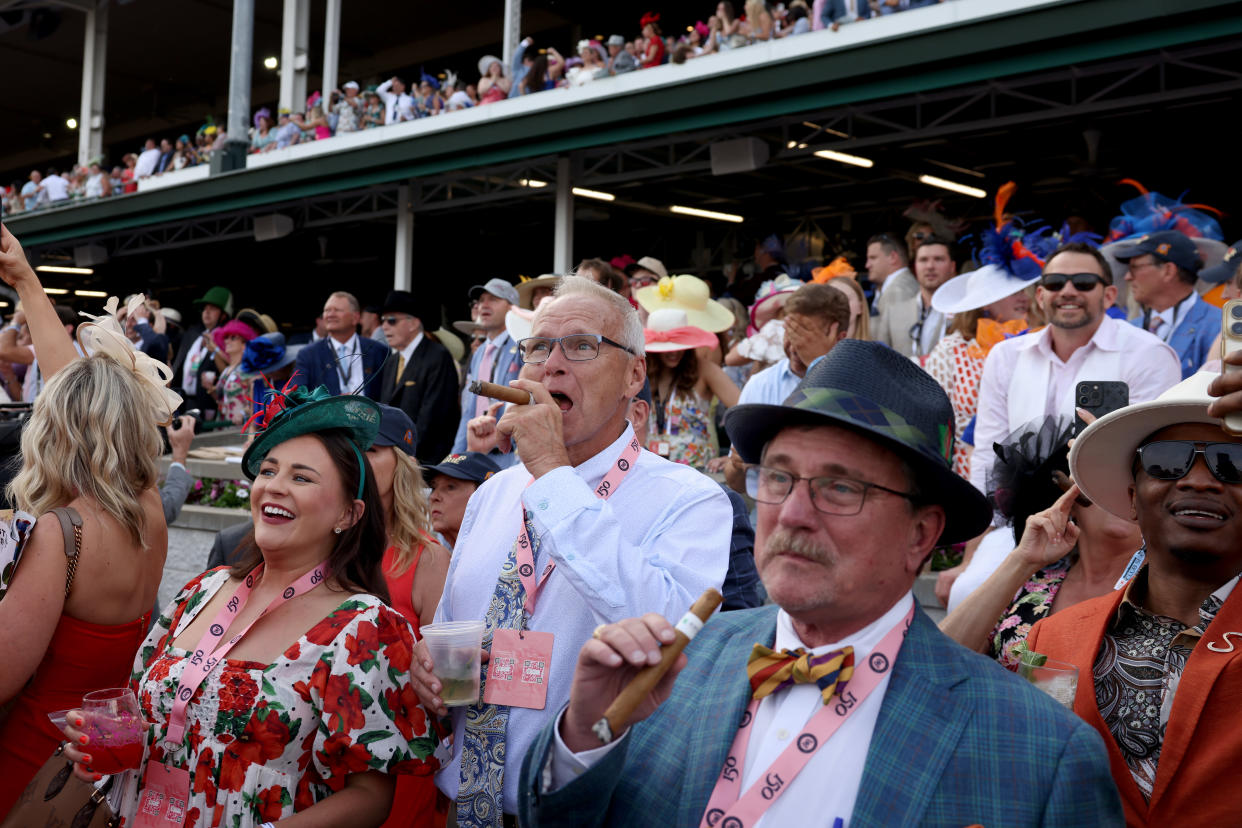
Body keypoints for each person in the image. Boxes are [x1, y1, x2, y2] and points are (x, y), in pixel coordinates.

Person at [517, 339, 1122, 827]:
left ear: (921, 533)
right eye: (778, 478)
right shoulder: (679, 662)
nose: (793, 512)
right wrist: (586, 738)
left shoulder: (1040, 753)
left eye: (840, 488)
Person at [415, 275, 731, 826]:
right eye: (538, 346)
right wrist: (428, 667)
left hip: (585, 813)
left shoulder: (691, 499)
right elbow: (451, 624)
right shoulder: (492, 493)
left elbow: (668, 642)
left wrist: (552, 473)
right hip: (461, 807)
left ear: (635, 373)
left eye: (582, 346)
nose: (551, 364)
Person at [57, 383, 440, 825]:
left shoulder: (365, 628)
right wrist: (102, 742)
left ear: (348, 515)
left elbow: (371, 797)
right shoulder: (201, 591)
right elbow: (148, 714)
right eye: (269, 471)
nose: (274, 487)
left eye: (301, 477)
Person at [0, 224, 175, 814]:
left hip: (32, 764)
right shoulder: (147, 506)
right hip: (98, 762)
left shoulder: (61, 534)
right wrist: (24, 278)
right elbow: (73, 379)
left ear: (56, 428)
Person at [1027, 370, 1242, 825]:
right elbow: (1032, 779)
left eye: (1234, 461)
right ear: (1132, 497)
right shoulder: (1052, 640)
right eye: (1167, 461)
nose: (1199, 481)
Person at [970, 242, 1182, 494]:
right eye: (1055, 283)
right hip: (1020, 519)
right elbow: (989, 451)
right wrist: (987, 525)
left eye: (1083, 282)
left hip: (1111, 516)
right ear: (1040, 296)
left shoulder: (1148, 355)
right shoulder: (1006, 356)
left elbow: (1151, 458)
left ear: (1110, 296)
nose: (1067, 291)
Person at [940, 418, 1143, 667]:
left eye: (1132, 481)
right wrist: (1021, 561)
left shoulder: (1167, 589)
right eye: (1103, 479)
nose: (1119, 493)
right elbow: (940, 662)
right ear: (1070, 499)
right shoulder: (1028, 584)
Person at [369, 404, 451, 828]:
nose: (356, 457)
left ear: (400, 464)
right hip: (322, 750)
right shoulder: (320, 548)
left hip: (400, 753)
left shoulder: (428, 557)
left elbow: (445, 677)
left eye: (371, 447)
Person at [925, 260, 1037, 479]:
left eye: (1023, 290)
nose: (1023, 297)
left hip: (1024, 472)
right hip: (965, 474)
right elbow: (933, 420)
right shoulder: (951, 350)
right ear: (986, 302)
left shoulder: (1036, 344)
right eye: (1014, 292)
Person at [1115, 229, 1220, 378]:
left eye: (1135, 267)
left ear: (1168, 271)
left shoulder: (1219, 327)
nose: (1127, 277)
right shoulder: (1129, 329)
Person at [644, 308, 740, 468]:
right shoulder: (644, 373)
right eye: (668, 348)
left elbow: (743, 411)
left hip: (697, 472)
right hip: (652, 469)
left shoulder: (704, 369)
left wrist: (733, 456)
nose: (674, 353)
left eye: (679, 346)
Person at [378, 290, 461, 465]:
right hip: (397, 460)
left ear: (413, 323)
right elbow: (386, 411)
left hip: (425, 462)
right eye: (383, 320)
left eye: (392, 320)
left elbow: (434, 417)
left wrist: (404, 455)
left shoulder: (438, 356)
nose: (385, 326)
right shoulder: (392, 361)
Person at [453, 278, 522, 458]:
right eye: (481, 300)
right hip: (477, 448)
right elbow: (469, 410)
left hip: (508, 453)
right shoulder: (479, 352)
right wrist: (454, 459)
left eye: (493, 299)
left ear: (511, 308)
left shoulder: (523, 346)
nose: (484, 305)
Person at [292, 290, 390, 399]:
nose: (330, 315)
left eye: (337, 310)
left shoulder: (378, 350)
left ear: (355, 318)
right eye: (327, 310)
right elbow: (297, 396)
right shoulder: (308, 354)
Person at [874, 235, 958, 360]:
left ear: (952, 267)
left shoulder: (964, 312)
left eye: (939, 259)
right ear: (915, 267)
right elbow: (879, 361)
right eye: (923, 260)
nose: (930, 266)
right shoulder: (893, 313)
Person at [172, 285, 233, 412]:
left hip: (209, 404)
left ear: (223, 315)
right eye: (205, 308)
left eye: (213, 308)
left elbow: (231, 368)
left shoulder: (227, 340)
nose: (206, 312)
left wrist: (215, 349)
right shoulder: (194, 335)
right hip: (184, 402)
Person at [423, 452, 501, 550]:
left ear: (484, 497)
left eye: (450, 487)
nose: (433, 497)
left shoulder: (512, 559)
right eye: (433, 487)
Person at [202, 318, 259, 426]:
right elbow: (221, 399)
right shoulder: (226, 371)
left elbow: (256, 400)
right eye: (226, 337)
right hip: (222, 426)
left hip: (240, 428)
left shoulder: (249, 370)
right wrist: (210, 389)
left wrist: (243, 413)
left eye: (233, 338)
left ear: (244, 344)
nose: (227, 341)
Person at [865, 232, 917, 312]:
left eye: (873, 258)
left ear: (892, 257)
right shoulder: (894, 289)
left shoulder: (899, 292)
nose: (867, 265)